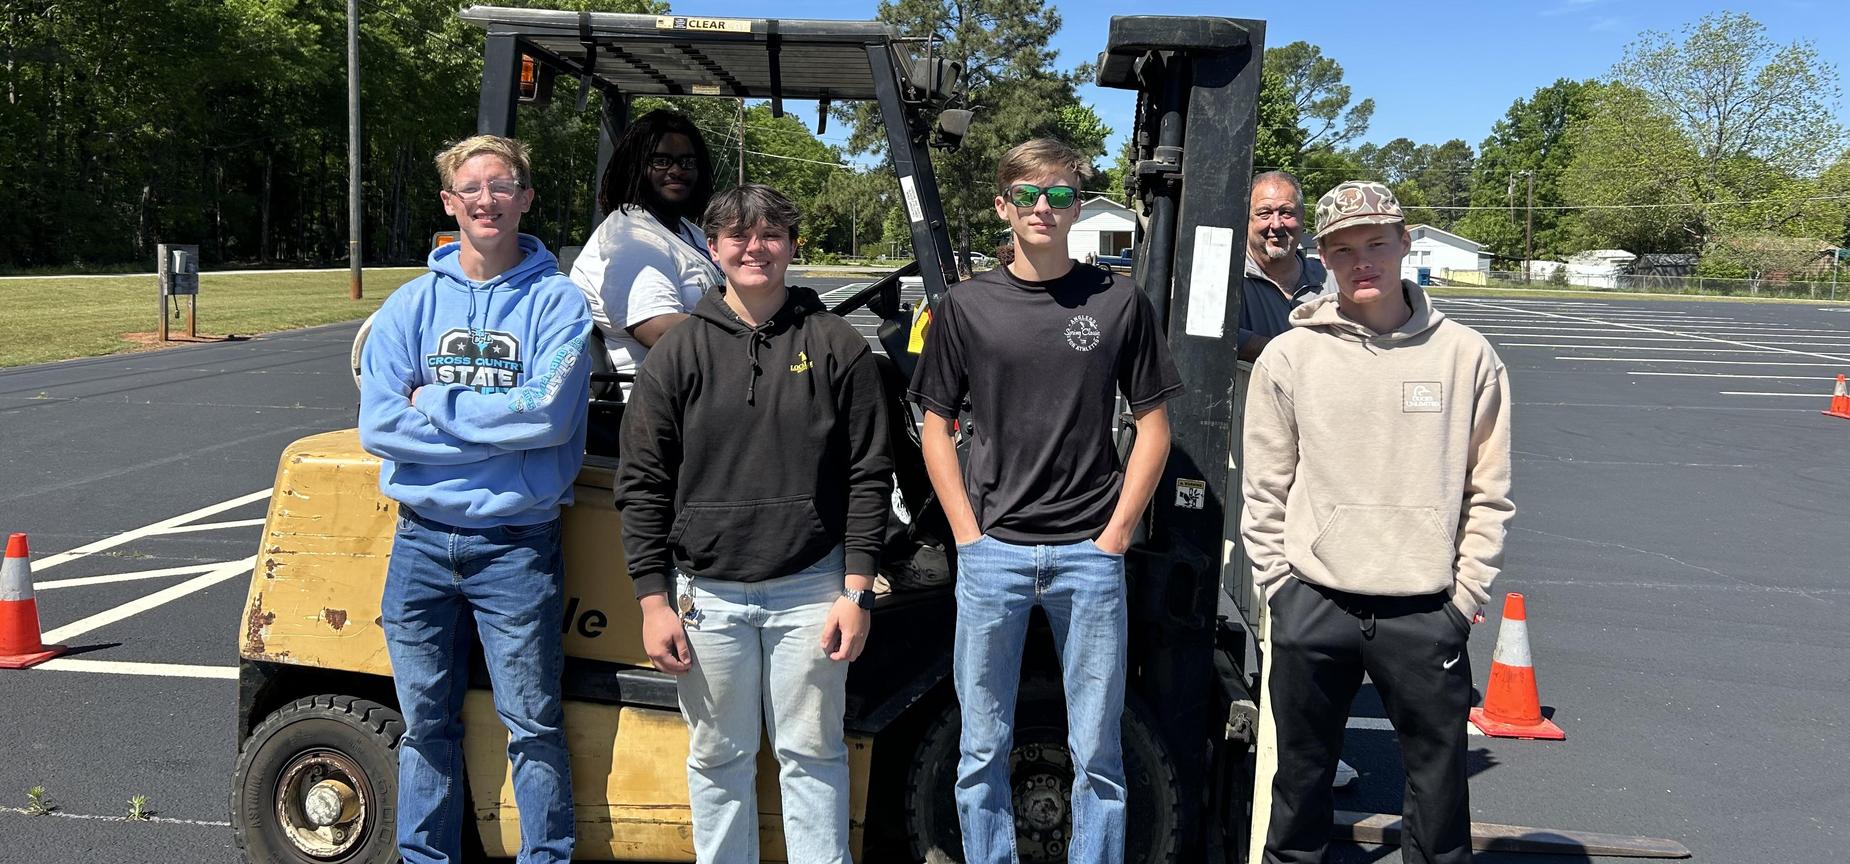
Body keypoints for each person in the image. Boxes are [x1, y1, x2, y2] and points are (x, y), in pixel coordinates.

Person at [909, 138, 1182, 864]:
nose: (1042, 208)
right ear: (1003, 205)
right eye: (1027, 195)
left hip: (1088, 557)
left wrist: (1116, 534)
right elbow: (935, 427)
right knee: (981, 746)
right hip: (992, 553)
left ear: (1077, 206)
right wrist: (967, 535)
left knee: (1098, 750)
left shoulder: (1117, 301)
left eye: (1059, 195)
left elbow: (1155, 426)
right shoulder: (965, 307)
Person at [616, 184, 892, 863]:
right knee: (718, 761)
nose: (754, 247)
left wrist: (856, 590)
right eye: (737, 235)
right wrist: (653, 601)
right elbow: (643, 483)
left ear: (792, 245)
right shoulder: (679, 353)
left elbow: (868, 473)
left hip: (811, 590)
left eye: (770, 233)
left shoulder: (834, 345)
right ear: (713, 249)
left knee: (812, 755)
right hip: (706, 596)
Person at [1240, 180, 1514, 864]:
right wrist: (1280, 585)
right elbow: (1265, 485)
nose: (1362, 261)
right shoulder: (1290, 356)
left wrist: (1464, 596)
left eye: (1375, 244)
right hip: (1315, 601)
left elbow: (1490, 491)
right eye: (1342, 249)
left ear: (1405, 243)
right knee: (1300, 785)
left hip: (1425, 609)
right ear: (1323, 258)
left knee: (1439, 789)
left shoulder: (1466, 357)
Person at [358, 134, 591, 864]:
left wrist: (438, 403)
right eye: (471, 187)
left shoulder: (559, 304)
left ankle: (545, 857)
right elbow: (379, 424)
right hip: (421, 541)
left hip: (515, 546)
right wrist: (499, 434)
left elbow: (547, 417)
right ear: (450, 203)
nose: (486, 199)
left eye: (502, 185)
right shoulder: (410, 305)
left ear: (525, 198)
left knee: (533, 724)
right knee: (425, 723)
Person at [571, 109, 722, 381]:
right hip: (656, 408)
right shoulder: (631, 237)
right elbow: (659, 330)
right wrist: (751, 328)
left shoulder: (687, 231)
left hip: (703, 393)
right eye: (661, 161)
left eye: (688, 162)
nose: (676, 170)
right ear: (635, 166)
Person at [1238, 170, 1331, 362]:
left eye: (1287, 212)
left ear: (1303, 217)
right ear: (1246, 219)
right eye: (1264, 213)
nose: (1277, 224)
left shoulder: (1331, 279)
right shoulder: (1227, 279)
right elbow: (1215, 337)